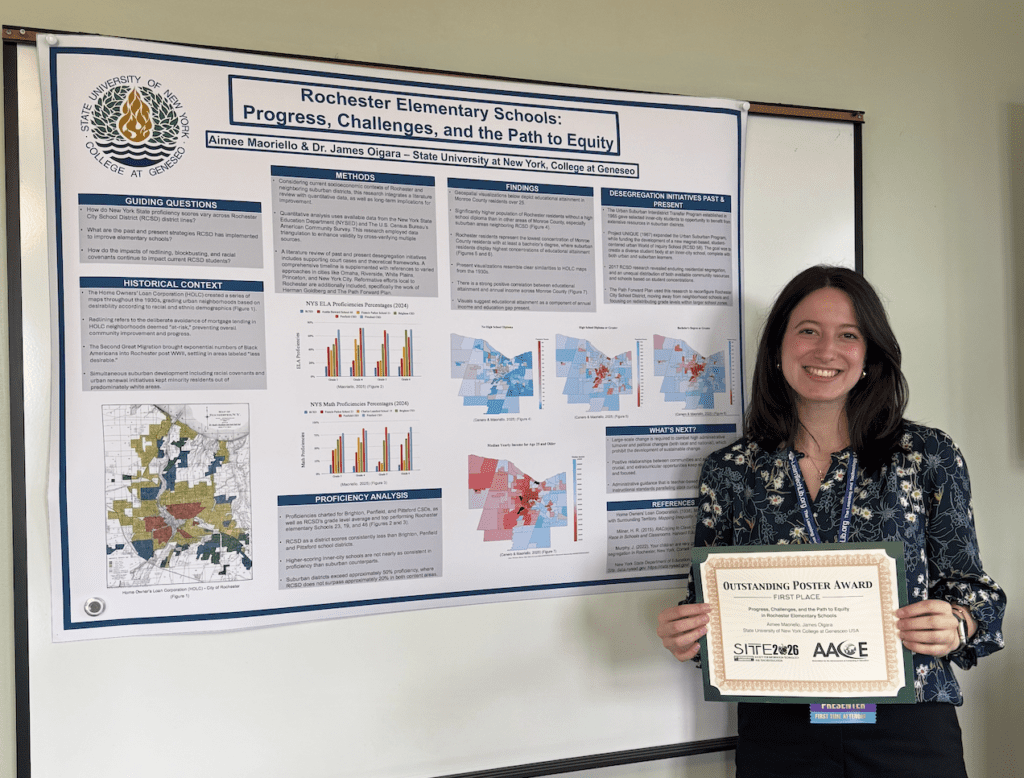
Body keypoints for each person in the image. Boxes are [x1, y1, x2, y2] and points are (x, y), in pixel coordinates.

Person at [656, 266, 1005, 778]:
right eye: (808, 331)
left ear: (870, 355)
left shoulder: (927, 455)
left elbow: (977, 593)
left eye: (848, 335)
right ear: (778, 348)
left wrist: (958, 622)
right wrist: (686, 633)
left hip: (907, 731)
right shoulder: (731, 472)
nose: (826, 351)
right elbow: (709, 609)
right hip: (780, 732)